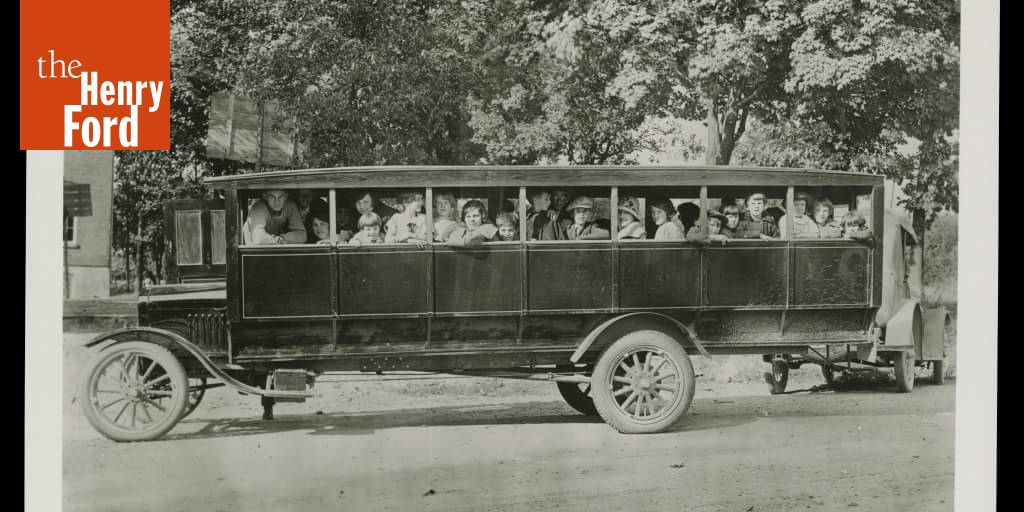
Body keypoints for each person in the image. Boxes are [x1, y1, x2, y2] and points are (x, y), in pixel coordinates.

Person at [242, 189, 306, 245]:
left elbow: (302, 235)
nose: (277, 201)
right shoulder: (258, 208)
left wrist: (283, 238)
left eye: (280, 196)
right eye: (272, 197)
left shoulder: (290, 206)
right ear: (265, 197)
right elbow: (258, 239)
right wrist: (276, 240)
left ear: (286, 197)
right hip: (251, 247)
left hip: (273, 244)